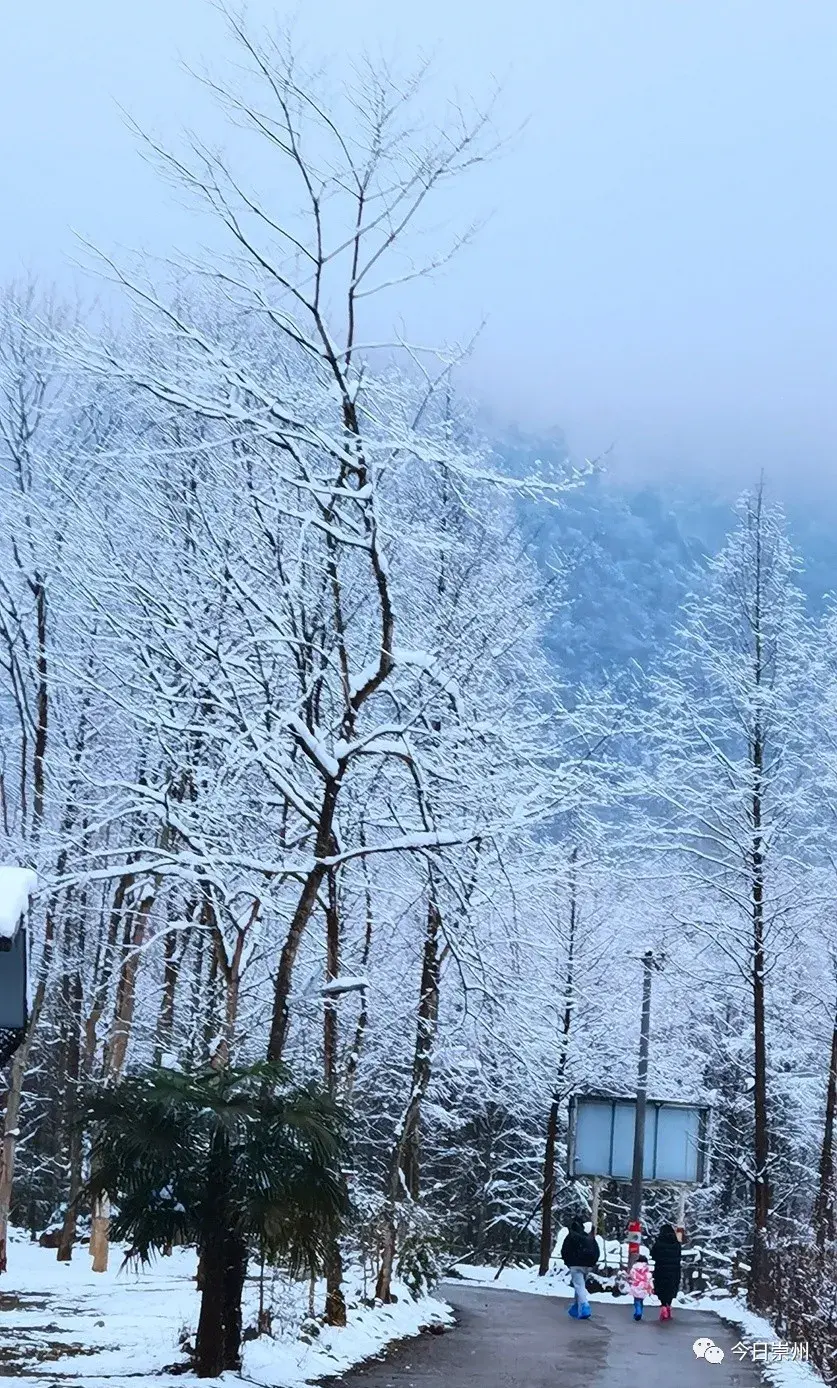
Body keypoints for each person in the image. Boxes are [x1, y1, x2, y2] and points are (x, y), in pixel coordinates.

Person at [561, 1217, 599, 1319]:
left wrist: (568, 1262)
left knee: (579, 1286)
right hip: (588, 1265)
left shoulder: (571, 1237)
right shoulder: (588, 1238)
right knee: (580, 1286)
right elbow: (596, 1251)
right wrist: (592, 1263)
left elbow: (564, 1251)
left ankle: (585, 1306)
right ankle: (576, 1307)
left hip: (575, 1264)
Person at [650, 1222, 682, 1321]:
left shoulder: (659, 1242)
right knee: (671, 1289)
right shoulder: (676, 1243)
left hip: (661, 1270)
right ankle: (669, 1305)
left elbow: (653, 1254)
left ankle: (663, 1305)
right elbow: (679, 1256)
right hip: (674, 1271)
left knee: (661, 1288)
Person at [626, 1254, 653, 1320]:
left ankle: (638, 1312)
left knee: (636, 1300)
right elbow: (648, 1277)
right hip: (643, 1286)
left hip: (636, 1286)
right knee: (641, 1301)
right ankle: (640, 1311)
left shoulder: (634, 1268)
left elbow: (632, 1276)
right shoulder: (646, 1269)